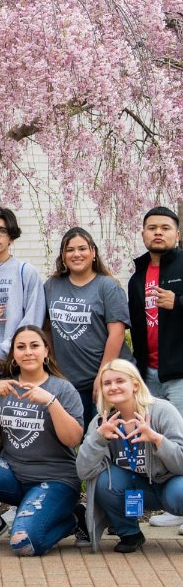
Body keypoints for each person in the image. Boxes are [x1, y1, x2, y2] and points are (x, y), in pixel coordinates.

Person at [0, 325, 84, 555]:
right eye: (21, 347)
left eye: (34, 346)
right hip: (13, 474)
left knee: (23, 543)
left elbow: (73, 439)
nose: (28, 352)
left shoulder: (62, 389)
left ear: (46, 351)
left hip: (55, 479)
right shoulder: (5, 387)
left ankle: (74, 520)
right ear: (14, 355)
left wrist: (51, 402)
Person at [77, 359, 183, 553]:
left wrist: (158, 440)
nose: (113, 387)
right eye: (107, 383)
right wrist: (98, 439)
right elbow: (84, 471)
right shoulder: (102, 422)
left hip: (170, 484)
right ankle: (130, 534)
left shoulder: (162, 411)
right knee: (104, 481)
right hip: (136, 488)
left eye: (120, 381)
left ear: (135, 384)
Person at [128, 206, 183, 528]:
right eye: (151, 227)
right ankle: (172, 506)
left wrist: (178, 302)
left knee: (180, 438)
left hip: (179, 372)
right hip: (149, 372)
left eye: (165, 227)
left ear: (176, 234)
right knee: (158, 438)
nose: (158, 232)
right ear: (144, 233)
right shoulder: (138, 275)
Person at [45, 227, 132, 429]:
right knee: (76, 441)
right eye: (70, 250)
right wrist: (52, 364)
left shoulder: (107, 286)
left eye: (82, 248)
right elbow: (46, 328)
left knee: (105, 439)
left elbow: (117, 333)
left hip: (106, 379)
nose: (76, 254)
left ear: (93, 253)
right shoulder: (52, 285)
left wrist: (103, 376)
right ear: (63, 256)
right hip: (69, 382)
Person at [0, 207, 45, 387]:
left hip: (19, 364)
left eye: (3, 231)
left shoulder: (25, 272)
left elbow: (33, 318)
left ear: (11, 238)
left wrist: (7, 350)